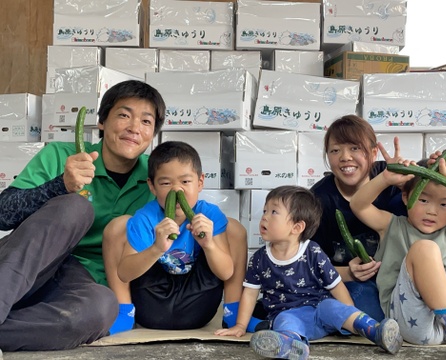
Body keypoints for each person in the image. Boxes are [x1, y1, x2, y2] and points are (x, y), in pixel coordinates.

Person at [0, 80, 166, 351]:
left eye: (146, 121)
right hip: (24, 265)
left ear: (153, 133)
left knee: (101, 308)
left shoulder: (158, 178)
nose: (134, 128)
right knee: (75, 208)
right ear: (101, 122)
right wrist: (60, 185)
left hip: (76, 285)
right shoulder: (59, 155)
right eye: (124, 115)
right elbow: (2, 214)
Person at [215, 185, 403, 360]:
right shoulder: (259, 259)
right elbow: (249, 293)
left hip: (319, 310)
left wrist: (348, 314)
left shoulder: (312, 252)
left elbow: (335, 285)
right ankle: (293, 345)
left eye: (274, 212)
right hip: (288, 313)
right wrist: (240, 325)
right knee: (284, 321)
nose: (264, 217)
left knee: (333, 306)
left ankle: (375, 331)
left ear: (297, 227)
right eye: (265, 211)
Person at [103, 141, 262, 334]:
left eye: (185, 182)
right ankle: (124, 313)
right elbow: (125, 274)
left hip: (198, 303)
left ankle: (233, 314)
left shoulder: (209, 214)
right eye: (166, 183)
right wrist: (156, 248)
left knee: (235, 228)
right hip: (151, 303)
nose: (177, 191)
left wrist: (209, 245)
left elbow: (226, 272)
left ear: (200, 182)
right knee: (117, 226)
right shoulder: (146, 217)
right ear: (152, 186)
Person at [350, 155, 446, 359]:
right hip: (412, 322)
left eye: (444, 204)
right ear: (405, 197)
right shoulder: (391, 225)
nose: (432, 211)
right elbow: (358, 205)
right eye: (423, 199)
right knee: (425, 249)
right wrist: (385, 178)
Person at [309, 114, 407, 322]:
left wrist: (409, 183)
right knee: (373, 317)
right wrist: (348, 273)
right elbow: (307, 265)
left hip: (400, 276)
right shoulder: (318, 200)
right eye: (335, 150)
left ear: (373, 153)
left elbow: (433, 217)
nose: (345, 157)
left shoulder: (389, 177)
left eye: (354, 148)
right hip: (351, 282)